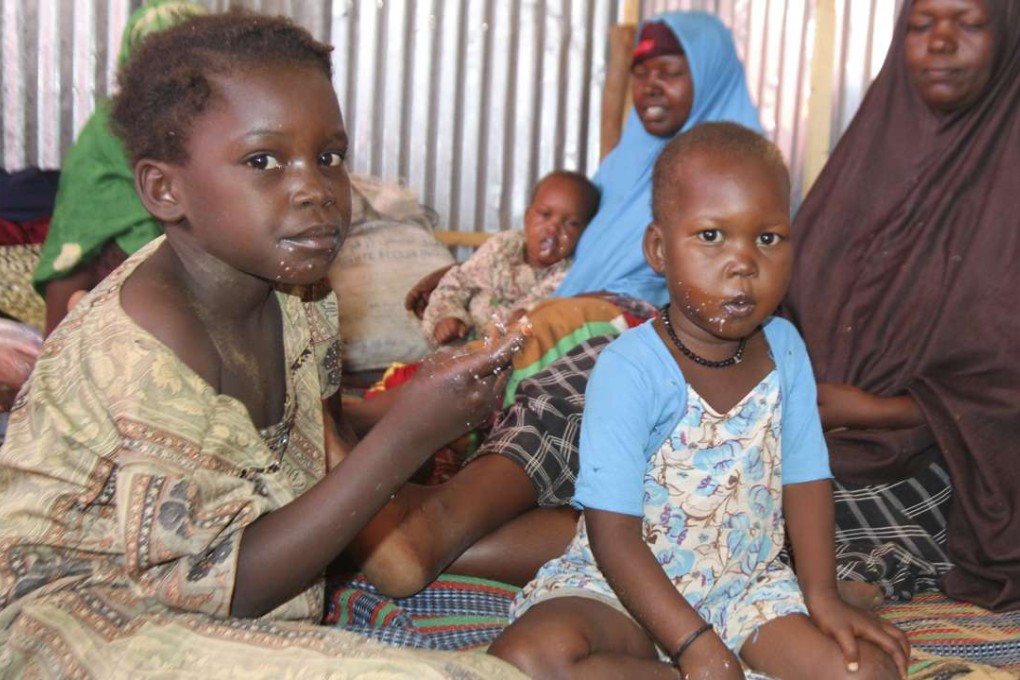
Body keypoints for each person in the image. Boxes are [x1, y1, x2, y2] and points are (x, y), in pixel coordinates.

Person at [0, 12, 528, 678]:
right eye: (263, 161)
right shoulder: (149, 347)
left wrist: (420, 400)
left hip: (236, 600)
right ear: (165, 189)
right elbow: (223, 588)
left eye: (329, 157)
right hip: (75, 620)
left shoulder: (301, 296)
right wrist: (407, 436)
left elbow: (315, 440)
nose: (315, 190)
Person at [354, 11, 772, 598]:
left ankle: (385, 441)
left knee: (535, 350)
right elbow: (569, 255)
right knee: (532, 342)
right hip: (582, 305)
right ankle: (401, 473)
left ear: (709, 74)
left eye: (671, 72)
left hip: (650, 320)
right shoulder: (629, 161)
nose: (651, 86)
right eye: (641, 72)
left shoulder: (739, 168)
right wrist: (458, 274)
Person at [489, 122, 909, 680]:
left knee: (869, 671)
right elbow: (612, 534)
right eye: (712, 236)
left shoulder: (785, 349)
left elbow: (806, 480)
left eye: (768, 238)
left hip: (746, 590)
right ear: (659, 249)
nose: (744, 263)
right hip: (627, 594)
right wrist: (694, 646)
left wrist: (822, 596)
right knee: (532, 655)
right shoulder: (630, 367)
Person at [783, 0, 1020, 611]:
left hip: (943, 468)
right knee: (597, 393)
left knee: (743, 514)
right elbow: (786, 300)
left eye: (968, 23)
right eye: (920, 24)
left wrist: (878, 410)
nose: (940, 41)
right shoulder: (872, 151)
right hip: (801, 427)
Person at [32, 0, 207, 336]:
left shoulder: (222, 121)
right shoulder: (110, 126)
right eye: (156, 60)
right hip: (120, 278)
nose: (172, 75)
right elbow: (75, 236)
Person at [421, 170, 599, 346]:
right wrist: (448, 317)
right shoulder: (503, 246)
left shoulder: (568, 275)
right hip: (460, 341)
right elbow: (458, 281)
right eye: (545, 215)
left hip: (508, 356)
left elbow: (539, 316)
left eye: (571, 223)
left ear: (585, 232)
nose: (553, 228)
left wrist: (525, 318)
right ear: (527, 217)